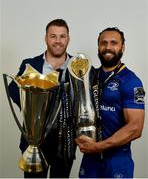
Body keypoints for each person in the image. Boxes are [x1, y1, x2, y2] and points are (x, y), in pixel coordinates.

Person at [8, 18, 76, 178]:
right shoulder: (30, 64)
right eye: (53, 36)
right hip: (35, 140)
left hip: (65, 142)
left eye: (62, 36)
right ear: (46, 38)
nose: (58, 41)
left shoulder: (77, 66)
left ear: (68, 39)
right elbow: (13, 89)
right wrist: (31, 107)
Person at [75, 27, 145, 178]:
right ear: (98, 47)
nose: (108, 47)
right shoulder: (89, 77)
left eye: (114, 43)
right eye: (103, 43)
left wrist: (99, 146)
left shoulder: (131, 81)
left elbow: (136, 128)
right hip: (90, 160)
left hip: (117, 162)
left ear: (122, 47)